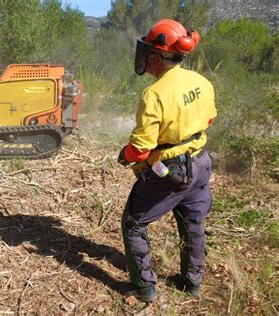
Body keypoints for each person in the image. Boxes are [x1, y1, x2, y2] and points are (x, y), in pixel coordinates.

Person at [117, 19, 217, 302]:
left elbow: (141, 148)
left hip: (170, 171)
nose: (145, 55)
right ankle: (192, 282)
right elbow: (210, 118)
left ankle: (144, 288)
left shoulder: (154, 94)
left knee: (133, 224)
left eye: (149, 50)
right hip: (200, 162)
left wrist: (125, 156)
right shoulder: (201, 81)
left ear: (159, 56)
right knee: (193, 223)